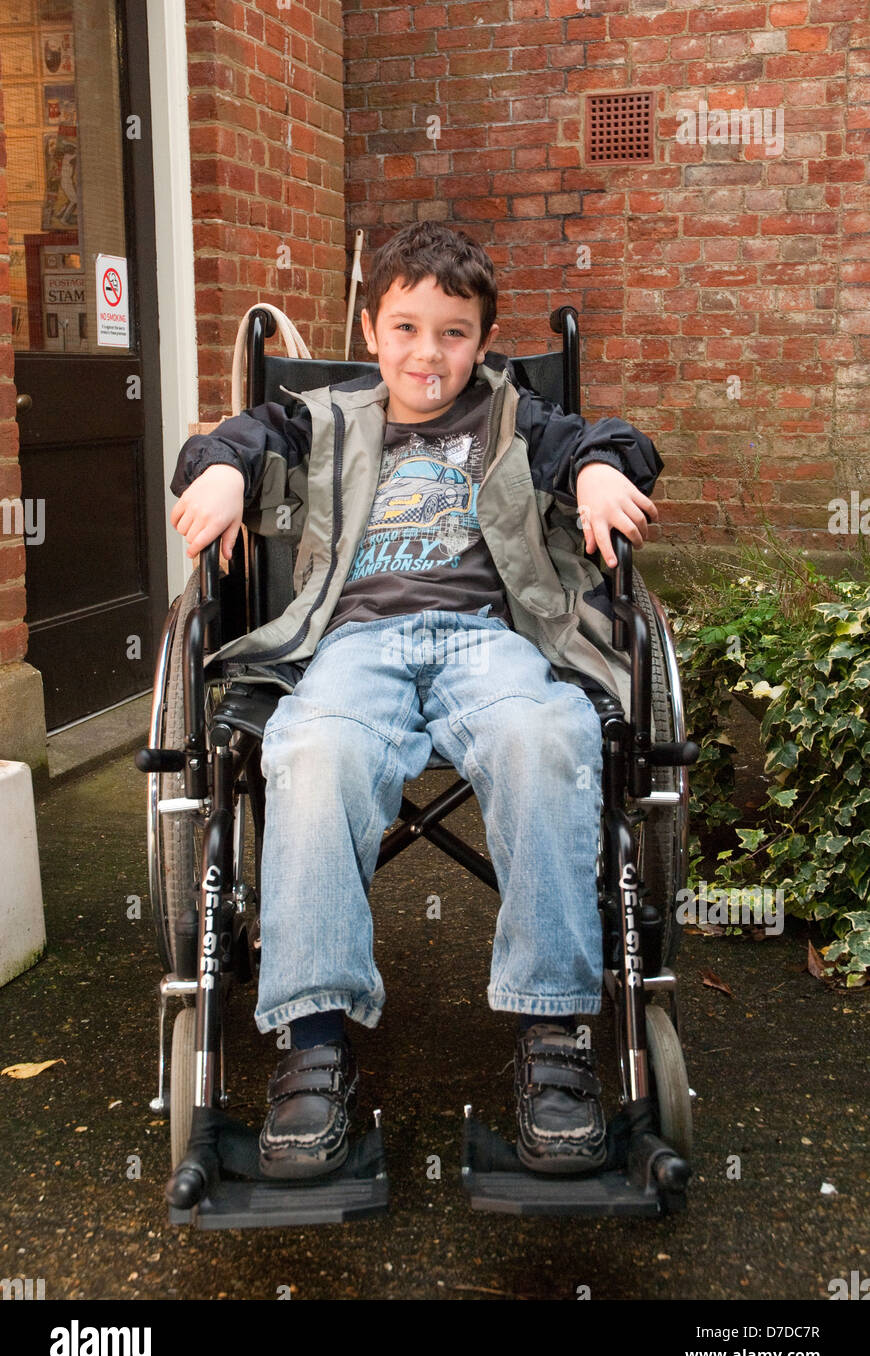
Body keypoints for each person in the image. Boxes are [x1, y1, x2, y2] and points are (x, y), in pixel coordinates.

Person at [169, 221, 662, 1180]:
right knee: (312, 753)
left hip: (491, 643)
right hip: (355, 646)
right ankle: (313, 1045)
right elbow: (242, 432)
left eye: (452, 333)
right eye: (404, 329)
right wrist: (222, 467)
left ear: (483, 342)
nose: (425, 354)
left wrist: (601, 469)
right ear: (370, 328)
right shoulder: (326, 415)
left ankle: (554, 1039)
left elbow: (610, 440)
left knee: (547, 738)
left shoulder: (520, 421)